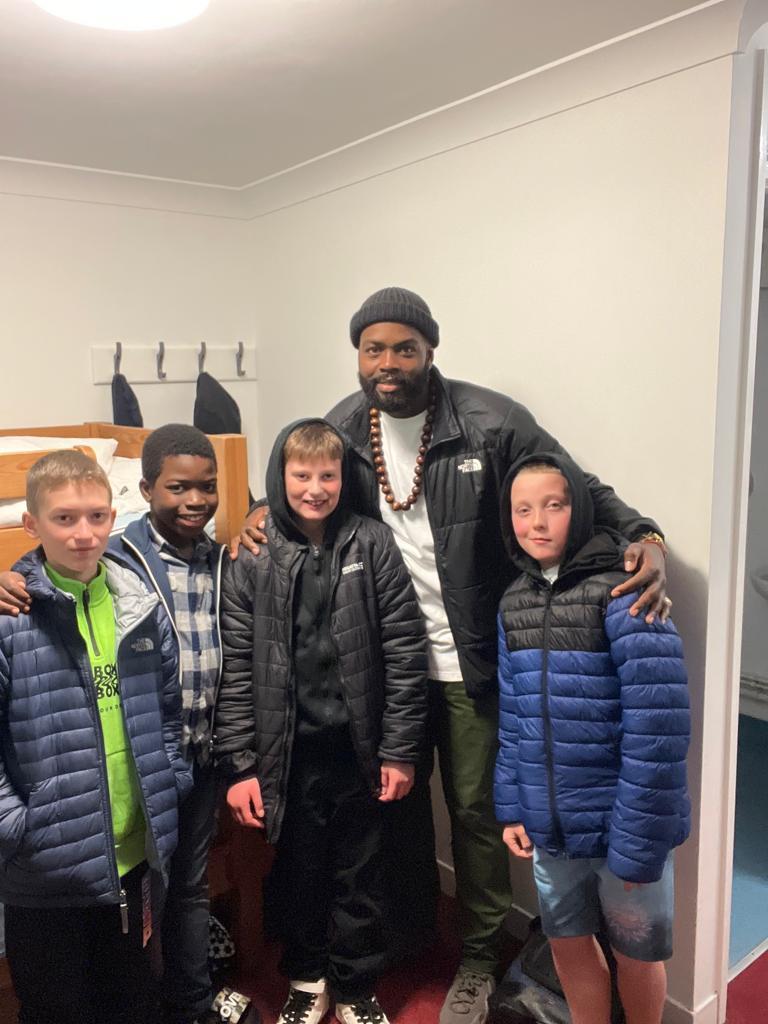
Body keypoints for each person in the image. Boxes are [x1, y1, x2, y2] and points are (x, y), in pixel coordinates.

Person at [237, 287, 671, 1024]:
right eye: (373, 349)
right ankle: (404, 939)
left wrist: (646, 535)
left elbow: (576, 487)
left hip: (473, 662)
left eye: (404, 348)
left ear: (430, 350)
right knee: (394, 811)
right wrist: (255, 512)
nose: (388, 362)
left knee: (475, 812)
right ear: (358, 356)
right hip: (386, 668)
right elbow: (301, 481)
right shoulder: (345, 428)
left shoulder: (491, 420)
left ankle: (477, 957)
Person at [0, 424, 250, 1024]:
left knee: (131, 993)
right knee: (58, 1005)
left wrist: (169, 781)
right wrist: (16, 824)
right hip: (46, 862)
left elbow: (164, 706)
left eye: (95, 517)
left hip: (137, 845)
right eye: (64, 519)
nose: (83, 533)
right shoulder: (13, 618)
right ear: (31, 525)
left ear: (112, 517)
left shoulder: (138, 605)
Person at [215, 419, 428, 1024]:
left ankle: (356, 985)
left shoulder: (372, 543)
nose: (315, 488)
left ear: (344, 478)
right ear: (279, 478)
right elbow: (236, 667)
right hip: (288, 755)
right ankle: (308, 978)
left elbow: (404, 649)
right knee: (300, 872)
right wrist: (240, 765)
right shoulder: (253, 554)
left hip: (359, 751)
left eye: (327, 475)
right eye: (301, 475)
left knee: (362, 875)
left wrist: (399, 749)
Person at [495, 453, 690, 1024]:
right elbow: (513, 716)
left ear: (578, 510)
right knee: (567, 945)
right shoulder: (513, 602)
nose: (536, 522)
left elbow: (659, 732)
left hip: (625, 830)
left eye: (553, 506)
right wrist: (513, 805)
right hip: (553, 830)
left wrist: (638, 844)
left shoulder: (627, 593)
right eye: (522, 510)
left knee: (637, 955)